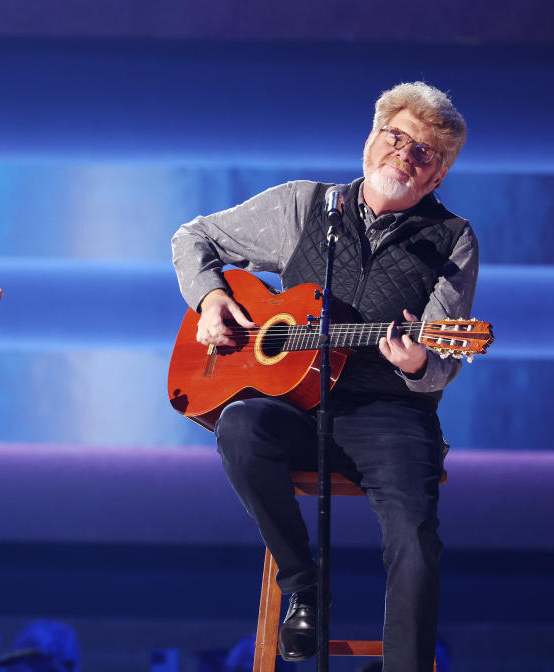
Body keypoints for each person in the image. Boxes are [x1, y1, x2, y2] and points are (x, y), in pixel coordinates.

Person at [171, 82, 476, 671]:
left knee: (415, 541)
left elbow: (442, 354)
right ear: (370, 142)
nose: (406, 156)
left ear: (437, 177)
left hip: (391, 416)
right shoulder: (304, 206)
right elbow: (194, 237)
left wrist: (418, 362)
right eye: (397, 139)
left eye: (425, 154)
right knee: (238, 425)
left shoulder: (454, 239)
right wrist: (210, 299)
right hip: (297, 406)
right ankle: (303, 587)